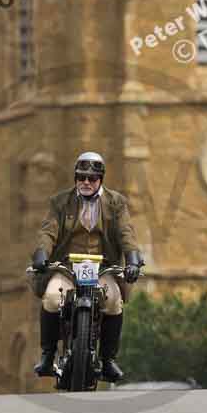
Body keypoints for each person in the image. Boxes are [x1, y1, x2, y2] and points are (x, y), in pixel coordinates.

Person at [30, 151, 143, 383]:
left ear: (101, 179)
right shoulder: (60, 202)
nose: (86, 182)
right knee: (51, 298)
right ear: (75, 178)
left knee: (113, 302)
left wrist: (132, 259)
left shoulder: (116, 203)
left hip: (103, 268)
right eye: (81, 177)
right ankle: (47, 355)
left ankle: (108, 360)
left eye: (91, 178)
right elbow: (47, 232)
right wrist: (41, 255)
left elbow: (126, 233)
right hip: (67, 267)